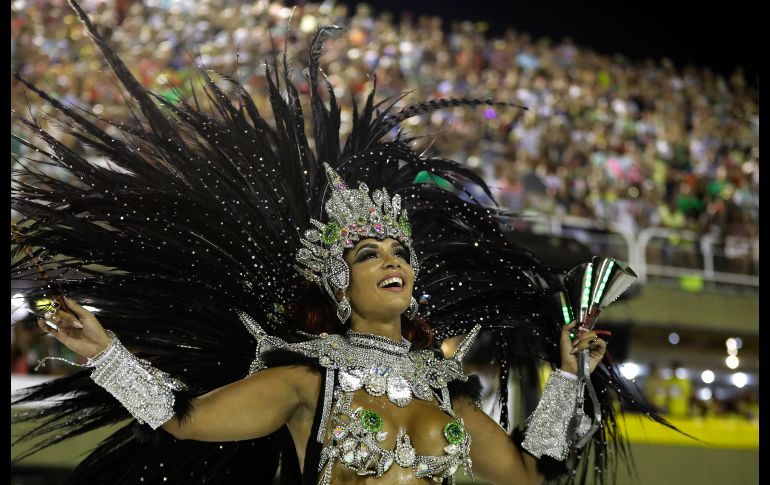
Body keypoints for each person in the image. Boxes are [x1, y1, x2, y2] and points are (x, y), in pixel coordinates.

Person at [11, 2, 668, 484]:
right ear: (338, 284)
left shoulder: (448, 390)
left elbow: (529, 473)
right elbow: (182, 418)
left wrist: (569, 378)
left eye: (400, 253)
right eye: (369, 254)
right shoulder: (306, 378)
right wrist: (104, 352)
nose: (393, 261)